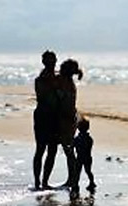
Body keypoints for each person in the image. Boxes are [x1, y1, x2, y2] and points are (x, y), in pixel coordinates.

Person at [33, 50, 59, 190]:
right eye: (49, 61)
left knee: (52, 150)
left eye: (53, 61)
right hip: (43, 116)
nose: (52, 63)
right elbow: (43, 97)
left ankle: (44, 181)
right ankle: (38, 182)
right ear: (44, 62)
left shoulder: (57, 78)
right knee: (41, 149)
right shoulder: (40, 80)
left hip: (54, 117)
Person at [56, 59, 83, 192]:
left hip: (66, 119)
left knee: (69, 151)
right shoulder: (69, 83)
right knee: (69, 150)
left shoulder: (66, 84)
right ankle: (72, 178)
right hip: (71, 118)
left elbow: (61, 99)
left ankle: (72, 179)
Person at [73, 117, 96, 196]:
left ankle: (75, 184)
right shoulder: (89, 138)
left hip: (80, 158)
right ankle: (91, 183)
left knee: (78, 172)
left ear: (78, 128)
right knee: (88, 171)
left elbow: (73, 145)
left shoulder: (77, 139)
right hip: (87, 157)